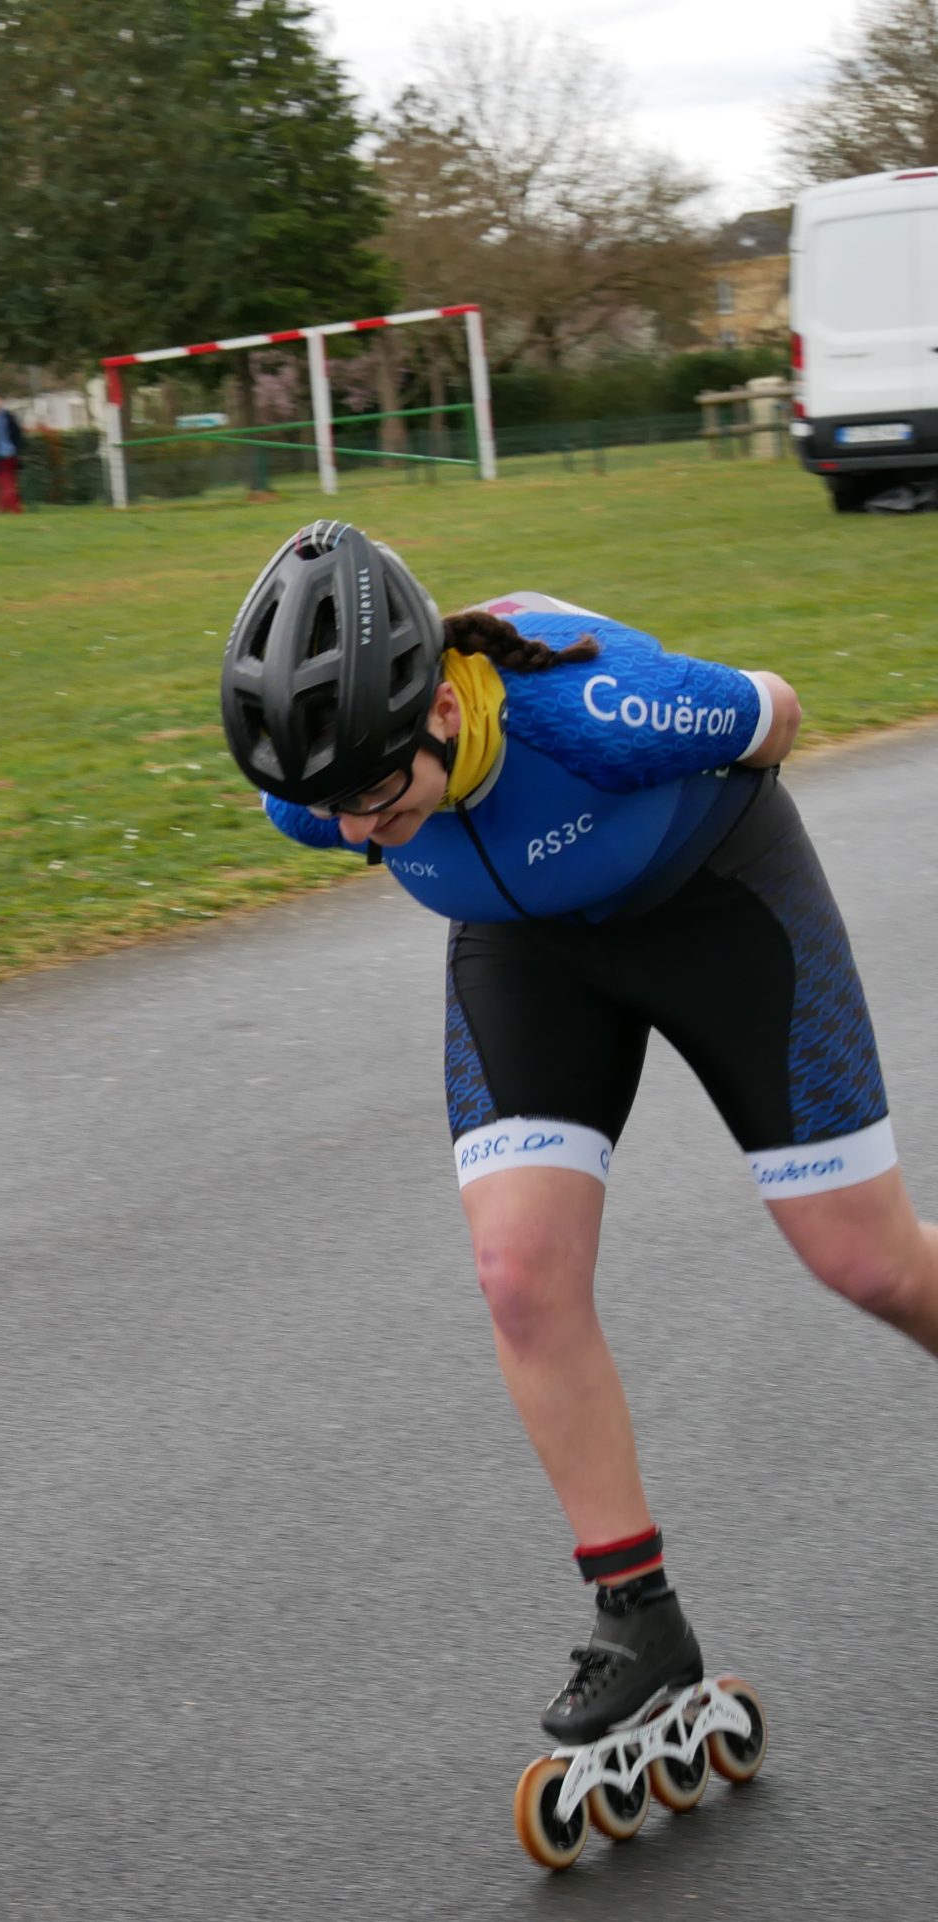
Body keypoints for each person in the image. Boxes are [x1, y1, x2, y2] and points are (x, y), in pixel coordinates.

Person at [220, 521, 936, 1826]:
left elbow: (776, 710)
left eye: (373, 793)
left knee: (865, 1259)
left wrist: (699, 742)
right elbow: (346, 800)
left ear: (444, 708)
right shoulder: (317, 789)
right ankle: (636, 1614)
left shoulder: (593, 709)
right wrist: (360, 801)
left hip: (716, 903)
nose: (350, 826)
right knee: (518, 1274)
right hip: (527, 953)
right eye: (329, 805)